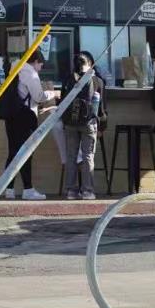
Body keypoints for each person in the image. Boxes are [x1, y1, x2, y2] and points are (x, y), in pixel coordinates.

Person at [1, 50, 57, 200]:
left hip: (11, 115)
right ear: (36, 61)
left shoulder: (14, 68)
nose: (40, 69)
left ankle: (9, 189)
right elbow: (38, 96)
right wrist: (53, 94)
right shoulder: (30, 73)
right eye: (41, 65)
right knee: (26, 153)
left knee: (13, 152)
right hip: (25, 116)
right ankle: (28, 189)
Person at [60, 52, 106, 200]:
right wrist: (102, 126)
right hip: (88, 122)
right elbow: (101, 108)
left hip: (70, 123)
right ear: (90, 63)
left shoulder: (68, 79)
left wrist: (64, 121)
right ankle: (87, 191)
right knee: (87, 156)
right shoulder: (97, 81)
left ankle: (71, 191)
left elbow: (62, 101)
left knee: (71, 156)